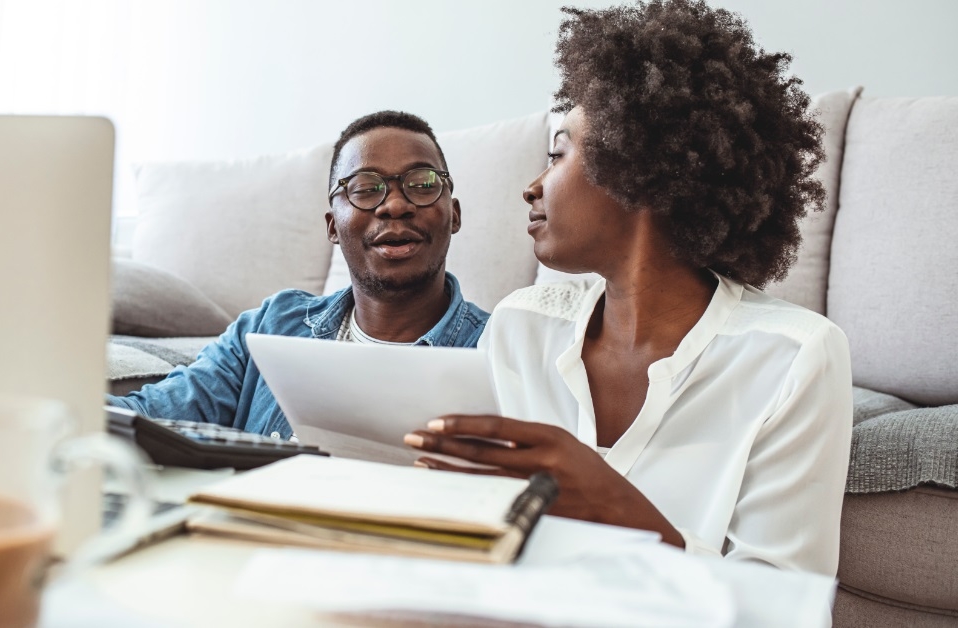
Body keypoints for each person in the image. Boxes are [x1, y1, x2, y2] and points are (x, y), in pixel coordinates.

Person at [405, 0, 851, 576]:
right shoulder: (521, 326)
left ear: (638, 168)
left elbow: (786, 607)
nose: (532, 187)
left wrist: (619, 509)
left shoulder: (793, 357)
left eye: (558, 154)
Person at [109, 111, 489, 439]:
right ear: (333, 228)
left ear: (453, 214)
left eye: (421, 184)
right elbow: (149, 414)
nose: (394, 204)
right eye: (365, 188)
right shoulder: (269, 326)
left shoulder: (499, 345)